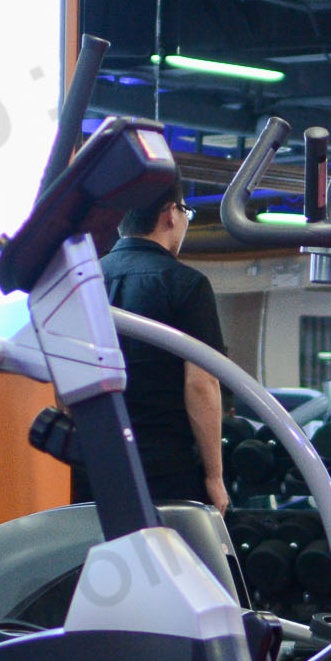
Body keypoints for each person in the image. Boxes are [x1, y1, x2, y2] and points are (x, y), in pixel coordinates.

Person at [73, 187, 226, 511]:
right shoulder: (187, 285)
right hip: (164, 473)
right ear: (170, 213)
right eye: (186, 212)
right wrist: (214, 476)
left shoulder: (83, 282)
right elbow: (201, 384)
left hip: (93, 469)